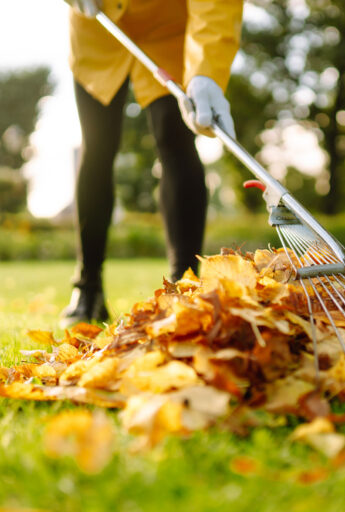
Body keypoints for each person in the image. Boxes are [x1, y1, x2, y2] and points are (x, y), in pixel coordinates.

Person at [60, 0, 243, 327]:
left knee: (175, 139)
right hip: (98, 22)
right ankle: (88, 288)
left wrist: (207, 73)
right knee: (97, 146)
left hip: (167, 28)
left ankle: (183, 285)